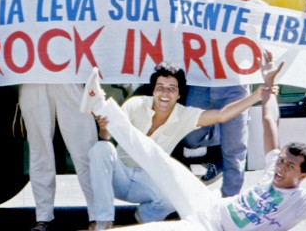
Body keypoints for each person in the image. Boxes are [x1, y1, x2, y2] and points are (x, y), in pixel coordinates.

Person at [79, 51, 306, 231]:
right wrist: (267, 88)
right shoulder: (274, 168)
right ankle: (100, 102)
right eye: (283, 160)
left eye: (290, 166)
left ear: (303, 176)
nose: (282, 167)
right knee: (154, 154)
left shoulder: (302, 200)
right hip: (209, 202)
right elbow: (270, 121)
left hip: (213, 228)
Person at [85, 61, 277, 229]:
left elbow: (221, 115)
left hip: (146, 184)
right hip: (119, 176)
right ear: (153, 90)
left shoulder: (184, 114)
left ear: (178, 95)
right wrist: (104, 127)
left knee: (172, 197)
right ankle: (104, 222)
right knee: (102, 148)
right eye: (160, 87)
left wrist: (257, 95)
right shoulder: (136, 104)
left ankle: (141, 221)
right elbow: (107, 135)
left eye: (172, 88)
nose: (165, 93)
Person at [174, 0, 266, 195]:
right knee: (189, 136)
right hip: (202, 83)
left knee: (235, 154)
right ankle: (219, 143)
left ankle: (230, 209)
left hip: (234, 87)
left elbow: (278, 42)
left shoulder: (259, 9)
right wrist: (165, 5)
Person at [20, 0, 100, 231]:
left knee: (85, 146)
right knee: (40, 148)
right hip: (34, 80)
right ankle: (43, 217)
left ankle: (98, 214)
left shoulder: (82, 0)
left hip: (68, 80)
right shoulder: (29, 0)